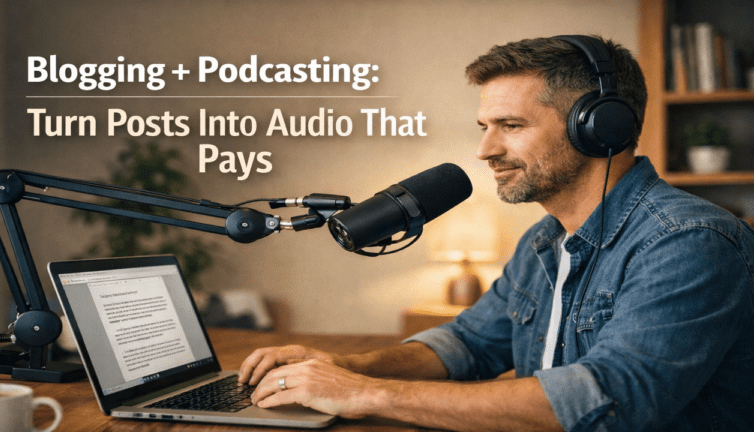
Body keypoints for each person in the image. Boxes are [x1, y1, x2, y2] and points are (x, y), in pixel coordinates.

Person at [237, 35, 754, 431]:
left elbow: (607, 398)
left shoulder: (688, 241)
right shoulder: (545, 241)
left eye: (511, 125)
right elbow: (467, 343)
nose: (485, 151)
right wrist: (350, 367)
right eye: (484, 128)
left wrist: (364, 394)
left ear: (599, 127)